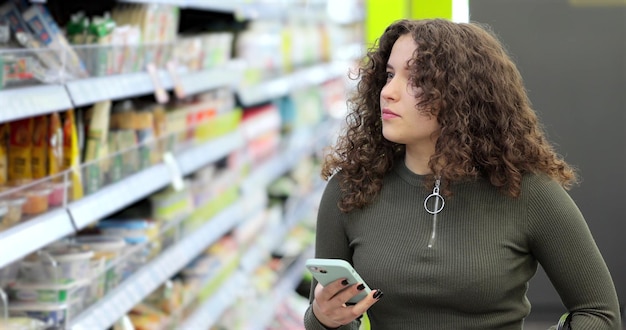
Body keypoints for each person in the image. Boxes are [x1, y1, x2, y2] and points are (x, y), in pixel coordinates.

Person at [303, 18, 621, 330]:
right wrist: (324, 319)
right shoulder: (350, 189)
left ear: (462, 96)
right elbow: (330, 317)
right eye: (389, 75)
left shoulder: (527, 191)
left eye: (416, 79)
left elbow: (598, 313)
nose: (388, 92)